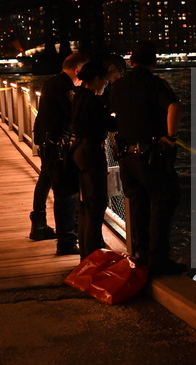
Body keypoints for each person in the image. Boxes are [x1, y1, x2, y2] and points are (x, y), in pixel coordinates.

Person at [110, 41, 186, 276]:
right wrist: (171, 137)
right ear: (153, 61)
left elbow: (111, 114)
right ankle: (158, 259)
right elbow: (174, 106)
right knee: (164, 201)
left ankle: (140, 254)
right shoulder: (155, 84)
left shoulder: (117, 86)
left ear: (131, 61)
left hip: (125, 156)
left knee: (139, 204)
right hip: (150, 155)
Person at [31, 52, 90, 255]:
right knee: (65, 193)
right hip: (59, 146)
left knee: (45, 180)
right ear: (78, 70)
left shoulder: (51, 82)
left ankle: (38, 225)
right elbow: (75, 112)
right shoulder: (65, 87)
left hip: (46, 142)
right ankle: (67, 240)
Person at [71, 56, 125, 260]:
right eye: (103, 80)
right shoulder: (92, 100)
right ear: (94, 79)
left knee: (86, 204)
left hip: (79, 151)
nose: (105, 83)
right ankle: (93, 253)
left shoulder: (79, 96)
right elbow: (109, 125)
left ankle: (87, 250)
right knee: (96, 204)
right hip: (91, 153)